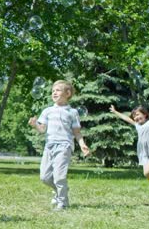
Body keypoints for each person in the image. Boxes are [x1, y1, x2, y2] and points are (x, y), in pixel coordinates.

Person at [28, 80, 90, 211]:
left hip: (64, 146)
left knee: (59, 176)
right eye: (53, 91)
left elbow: (77, 133)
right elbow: (42, 129)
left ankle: (63, 202)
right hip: (49, 146)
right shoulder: (47, 111)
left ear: (67, 93)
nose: (54, 92)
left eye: (58, 90)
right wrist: (35, 125)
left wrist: (83, 145)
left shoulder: (72, 112)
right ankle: (62, 190)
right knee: (44, 177)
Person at [110, 105, 149, 197]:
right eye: (134, 116)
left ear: (145, 114)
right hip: (143, 152)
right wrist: (115, 112)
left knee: (147, 172)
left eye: (138, 114)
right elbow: (126, 118)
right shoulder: (137, 125)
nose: (136, 117)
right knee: (147, 175)